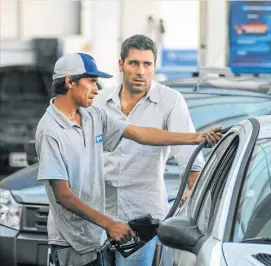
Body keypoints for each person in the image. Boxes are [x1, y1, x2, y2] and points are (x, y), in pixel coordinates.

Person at [35, 52, 222, 266]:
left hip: (96, 236)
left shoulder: (92, 116)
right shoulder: (50, 131)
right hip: (71, 242)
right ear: (69, 82)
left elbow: (140, 134)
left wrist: (195, 137)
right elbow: (63, 196)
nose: (96, 89)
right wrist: (110, 224)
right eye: (91, 81)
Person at [94, 34, 206, 266]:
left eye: (147, 64)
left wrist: (193, 186)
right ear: (121, 65)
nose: (140, 71)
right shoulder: (100, 101)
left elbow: (186, 152)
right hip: (99, 213)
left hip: (141, 217)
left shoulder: (170, 101)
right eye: (134, 63)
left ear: (154, 67)